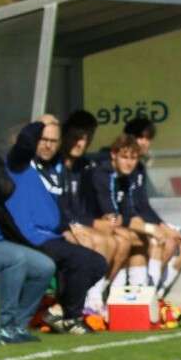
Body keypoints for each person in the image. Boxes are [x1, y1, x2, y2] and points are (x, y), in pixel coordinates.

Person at [2, 120, 106, 334]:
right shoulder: (18, 163)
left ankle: (59, 311)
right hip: (29, 237)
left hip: (50, 235)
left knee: (96, 262)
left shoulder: (49, 169)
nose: (48, 145)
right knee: (83, 260)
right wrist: (41, 123)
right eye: (43, 140)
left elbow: (53, 208)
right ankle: (72, 317)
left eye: (53, 141)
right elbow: (24, 144)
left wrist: (67, 229)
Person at [0, 123, 54, 343]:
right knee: (15, 259)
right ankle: (1, 325)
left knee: (44, 266)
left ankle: (17, 325)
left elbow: (6, 189)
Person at [85, 135, 181, 298]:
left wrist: (155, 228)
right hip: (89, 225)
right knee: (136, 240)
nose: (129, 163)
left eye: (133, 158)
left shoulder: (125, 177)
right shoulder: (103, 174)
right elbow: (112, 217)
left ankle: (141, 298)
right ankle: (99, 297)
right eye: (124, 157)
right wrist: (150, 229)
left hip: (112, 226)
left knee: (147, 241)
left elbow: (130, 213)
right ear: (114, 154)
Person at [58, 113, 126, 314]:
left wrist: (102, 218)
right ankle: (85, 301)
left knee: (119, 242)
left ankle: (97, 297)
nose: (81, 143)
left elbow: (84, 206)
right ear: (65, 135)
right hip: (61, 226)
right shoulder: (55, 165)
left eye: (87, 139)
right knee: (98, 242)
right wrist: (92, 223)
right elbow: (59, 208)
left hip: (79, 222)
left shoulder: (83, 167)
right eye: (77, 137)